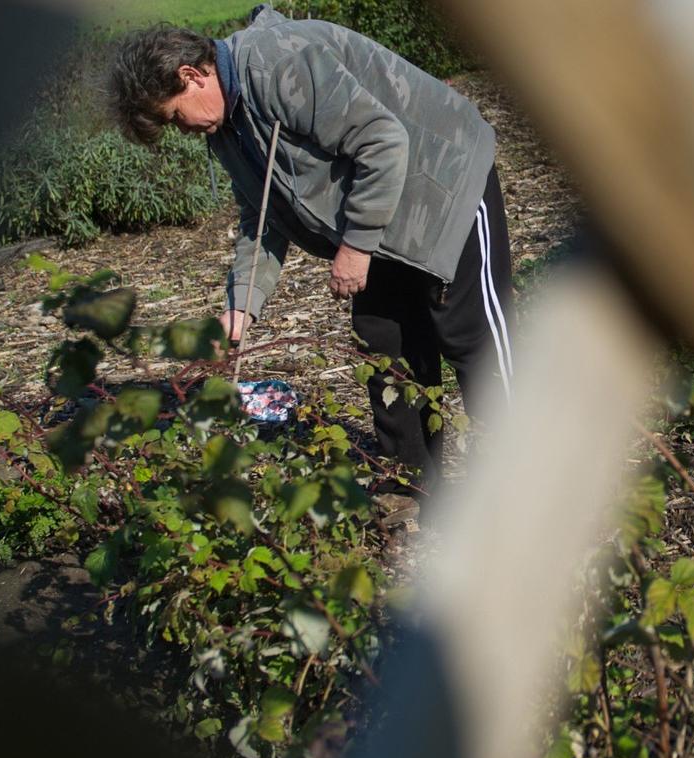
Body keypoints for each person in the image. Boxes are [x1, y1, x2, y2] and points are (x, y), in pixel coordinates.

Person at [109, 6, 513, 504]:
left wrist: (356, 245)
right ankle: (411, 487)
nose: (184, 130)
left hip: (442, 184)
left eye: (175, 117)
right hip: (380, 211)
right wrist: (240, 308)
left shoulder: (279, 66)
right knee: (385, 340)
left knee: (471, 337)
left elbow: (383, 141)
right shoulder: (228, 126)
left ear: (191, 76)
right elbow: (261, 220)